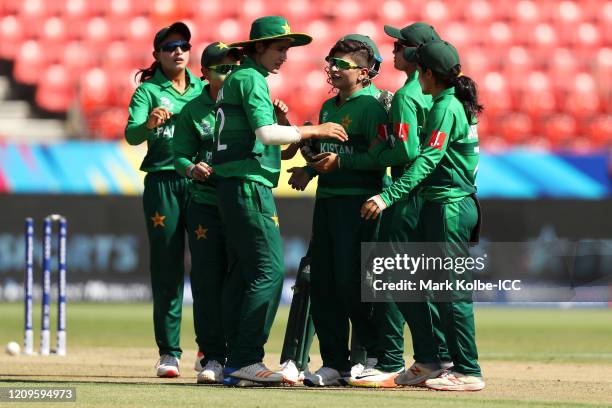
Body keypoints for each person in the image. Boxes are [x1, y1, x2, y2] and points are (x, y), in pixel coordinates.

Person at [212, 15, 348, 386]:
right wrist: (314, 129)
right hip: (246, 186)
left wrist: (291, 139)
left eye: (287, 49)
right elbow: (266, 133)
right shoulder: (251, 79)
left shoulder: (236, 79)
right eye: (278, 48)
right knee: (268, 272)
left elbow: (260, 138)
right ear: (257, 47)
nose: (284, 56)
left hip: (234, 184)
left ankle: (231, 359)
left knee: (243, 273)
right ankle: (245, 359)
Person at [361, 39, 485, 391]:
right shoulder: (449, 101)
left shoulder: (445, 106)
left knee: (451, 292)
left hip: (448, 206)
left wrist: (388, 196)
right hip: (443, 204)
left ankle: (468, 370)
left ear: (427, 73)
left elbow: (428, 160)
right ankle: (434, 359)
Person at [349, 22, 452, 388]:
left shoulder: (408, 95)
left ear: (415, 53)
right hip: (427, 196)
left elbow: (407, 152)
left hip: (405, 195)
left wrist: (372, 153)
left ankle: (393, 359)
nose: (392, 51)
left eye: (399, 46)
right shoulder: (437, 95)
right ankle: (439, 355)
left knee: (391, 276)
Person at [290, 35, 388, 387]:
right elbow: (328, 156)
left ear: (363, 72)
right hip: (328, 203)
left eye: (341, 64)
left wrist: (341, 163)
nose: (332, 68)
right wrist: (310, 169)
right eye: (330, 61)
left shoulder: (373, 107)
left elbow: (381, 158)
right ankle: (335, 363)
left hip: (358, 205)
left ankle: (378, 356)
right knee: (325, 282)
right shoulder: (329, 107)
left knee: (353, 283)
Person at [124, 22, 203, 378]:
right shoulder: (148, 92)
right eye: (170, 46)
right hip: (163, 183)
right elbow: (131, 134)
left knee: (207, 269)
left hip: (200, 183)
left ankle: (211, 351)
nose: (179, 51)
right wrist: (151, 125)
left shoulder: (203, 88)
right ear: (157, 54)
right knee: (168, 269)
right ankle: (169, 353)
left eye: (184, 44)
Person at [173, 41, 241, 384]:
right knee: (206, 283)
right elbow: (179, 155)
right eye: (222, 69)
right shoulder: (192, 110)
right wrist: (191, 169)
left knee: (239, 281)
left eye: (233, 68)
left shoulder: (246, 103)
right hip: (204, 206)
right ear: (205, 73)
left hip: (239, 204)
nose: (229, 75)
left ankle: (239, 354)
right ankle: (212, 355)